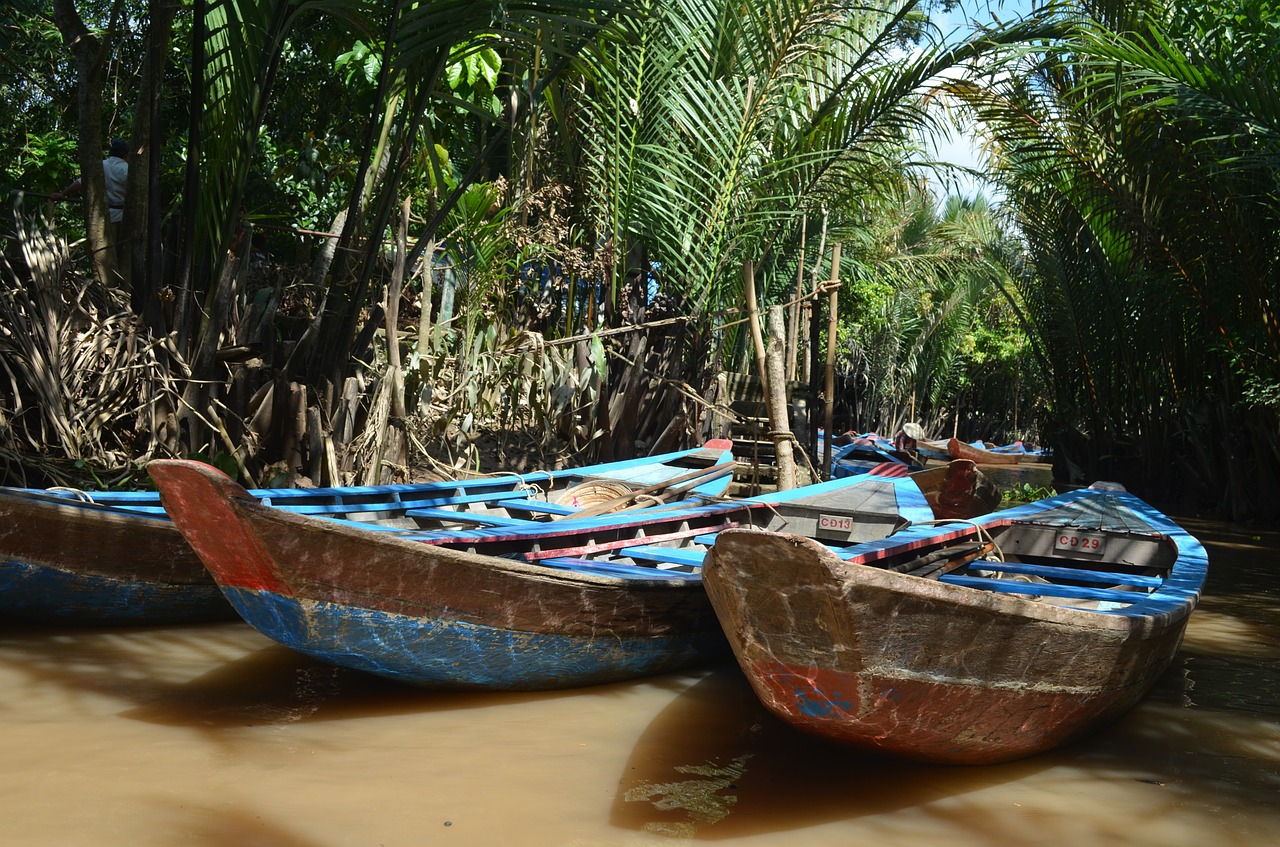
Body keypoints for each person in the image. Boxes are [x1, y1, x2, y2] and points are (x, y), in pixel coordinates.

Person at [52, 138, 129, 226]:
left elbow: (81, 182)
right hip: (124, 217)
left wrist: (62, 193)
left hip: (104, 217)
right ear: (126, 155)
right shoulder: (128, 169)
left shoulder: (101, 166)